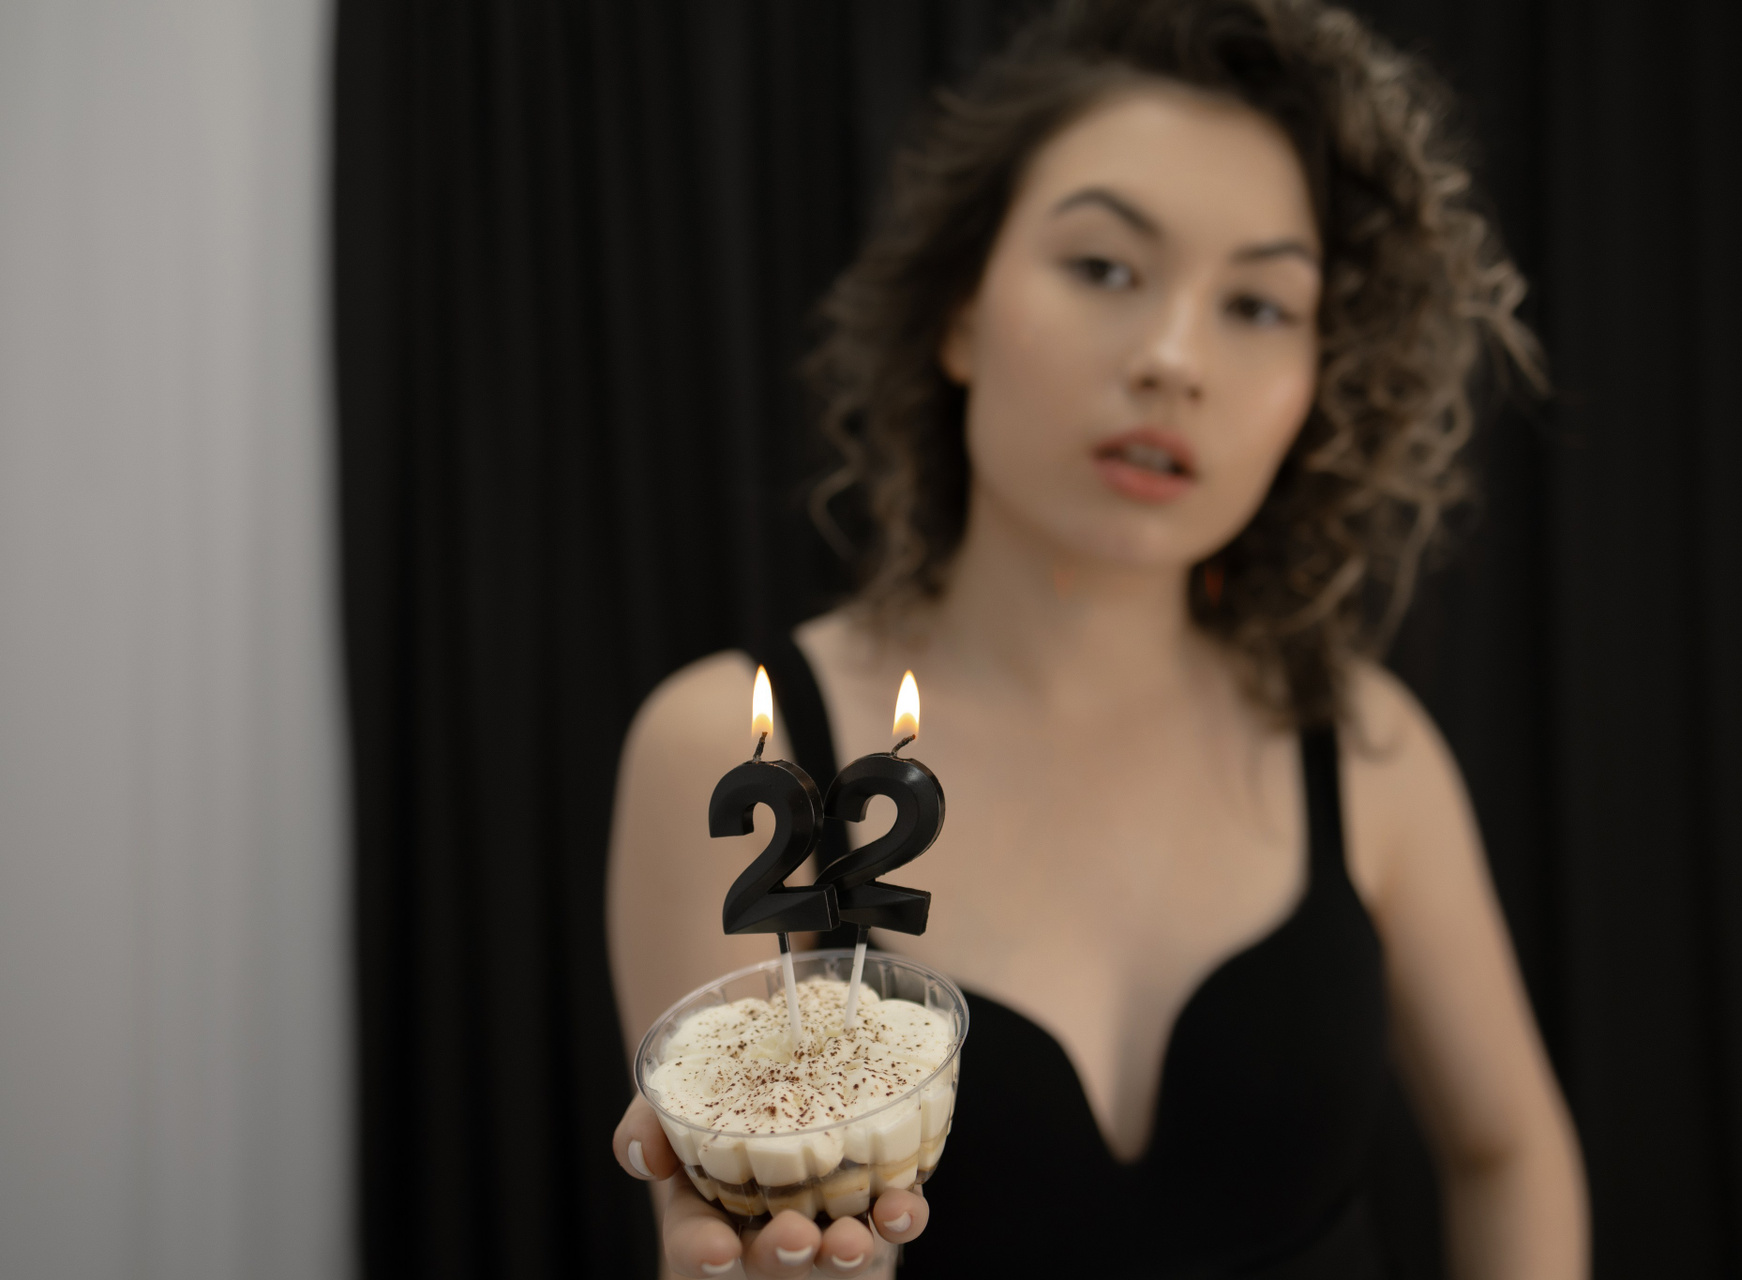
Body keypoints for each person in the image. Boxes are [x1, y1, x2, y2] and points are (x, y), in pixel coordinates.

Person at [608, 1, 1588, 1275]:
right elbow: (750, 1224)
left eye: (1259, 304)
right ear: (960, 310)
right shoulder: (741, 749)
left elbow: (1510, 1150)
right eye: (1107, 268)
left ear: (1319, 381)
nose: (1175, 358)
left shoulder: (1361, 745)